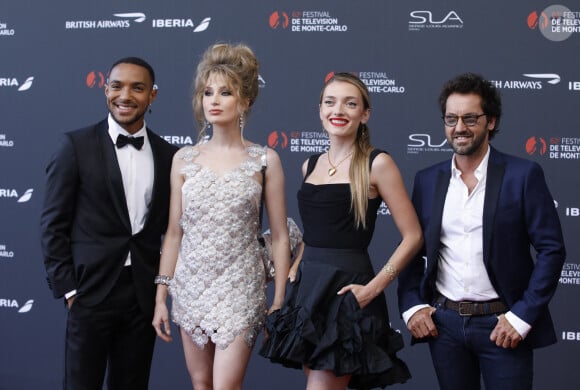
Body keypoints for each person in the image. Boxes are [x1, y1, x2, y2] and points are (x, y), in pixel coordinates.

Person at [397, 72, 566, 390]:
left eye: (470, 118)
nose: (459, 127)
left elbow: (552, 250)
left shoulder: (523, 175)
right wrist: (412, 306)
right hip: (444, 326)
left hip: (502, 325)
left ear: (491, 121)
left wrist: (521, 317)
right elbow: (411, 246)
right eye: (451, 119)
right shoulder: (427, 179)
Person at [260, 72, 423, 390]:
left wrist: (373, 289)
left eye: (350, 104)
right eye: (330, 102)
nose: (339, 110)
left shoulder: (377, 164)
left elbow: (413, 235)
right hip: (308, 290)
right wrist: (296, 265)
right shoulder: (309, 165)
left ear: (365, 114)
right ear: (320, 110)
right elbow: (316, 230)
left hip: (349, 290)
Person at [151, 43, 291, 390]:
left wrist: (278, 299)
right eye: (207, 92)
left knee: (226, 385)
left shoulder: (264, 159)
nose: (213, 100)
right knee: (201, 383)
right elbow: (173, 233)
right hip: (191, 283)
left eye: (225, 93)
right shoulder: (183, 159)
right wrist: (161, 296)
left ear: (244, 101)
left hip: (241, 284)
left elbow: (280, 235)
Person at [40, 57, 178, 389]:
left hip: (141, 295)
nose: (125, 95)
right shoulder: (75, 146)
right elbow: (52, 224)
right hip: (89, 292)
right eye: (117, 86)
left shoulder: (168, 155)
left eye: (137, 87)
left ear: (152, 96)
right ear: (105, 90)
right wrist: (70, 290)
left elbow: (170, 230)